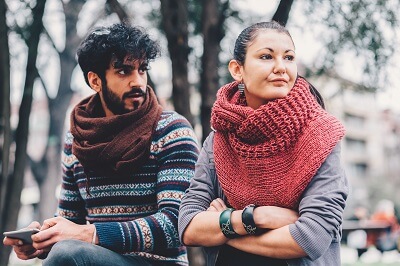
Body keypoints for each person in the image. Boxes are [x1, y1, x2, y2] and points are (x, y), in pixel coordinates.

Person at [3, 23, 199, 265]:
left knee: (69, 254)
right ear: (95, 81)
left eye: (142, 69)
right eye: (124, 71)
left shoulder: (170, 130)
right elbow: (70, 220)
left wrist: (91, 234)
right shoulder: (77, 139)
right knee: (64, 253)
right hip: (95, 258)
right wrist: (43, 239)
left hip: (160, 262)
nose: (137, 82)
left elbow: (177, 224)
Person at [178, 21, 349, 265]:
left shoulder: (321, 136)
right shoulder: (220, 139)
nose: (281, 67)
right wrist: (258, 216)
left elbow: (311, 237)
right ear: (238, 70)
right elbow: (188, 226)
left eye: (289, 58)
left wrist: (224, 229)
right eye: (267, 56)